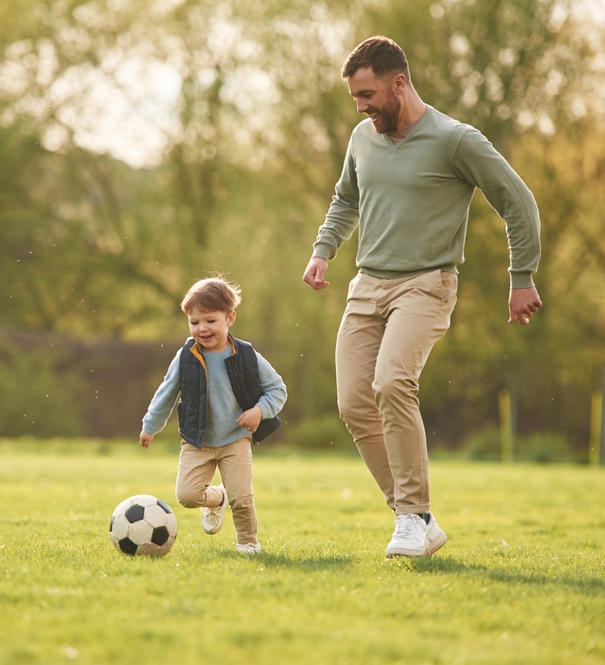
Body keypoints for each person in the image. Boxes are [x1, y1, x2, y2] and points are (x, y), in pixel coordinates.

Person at [302, 36, 542, 558]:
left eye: (367, 95)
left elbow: (517, 202)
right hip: (367, 285)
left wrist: (521, 275)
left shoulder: (456, 140)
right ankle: (415, 518)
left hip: (426, 284)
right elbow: (346, 199)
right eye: (355, 99)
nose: (361, 107)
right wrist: (324, 250)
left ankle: (411, 516)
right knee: (353, 401)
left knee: (391, 381)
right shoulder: (362, 139)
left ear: (399, 83)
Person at [140, 276, 287, 554]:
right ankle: (217, 498)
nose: (202, 328)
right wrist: (150, 426)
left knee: (242, 498)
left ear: (229, 318)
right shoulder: (186, 356)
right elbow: (166, 392)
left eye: (210, 321)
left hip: (235, 439)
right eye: (194, 322)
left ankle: (248, 544)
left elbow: (278, 390)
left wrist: (259, 411)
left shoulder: (246, 355)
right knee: (187, 496)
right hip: (199, 440)